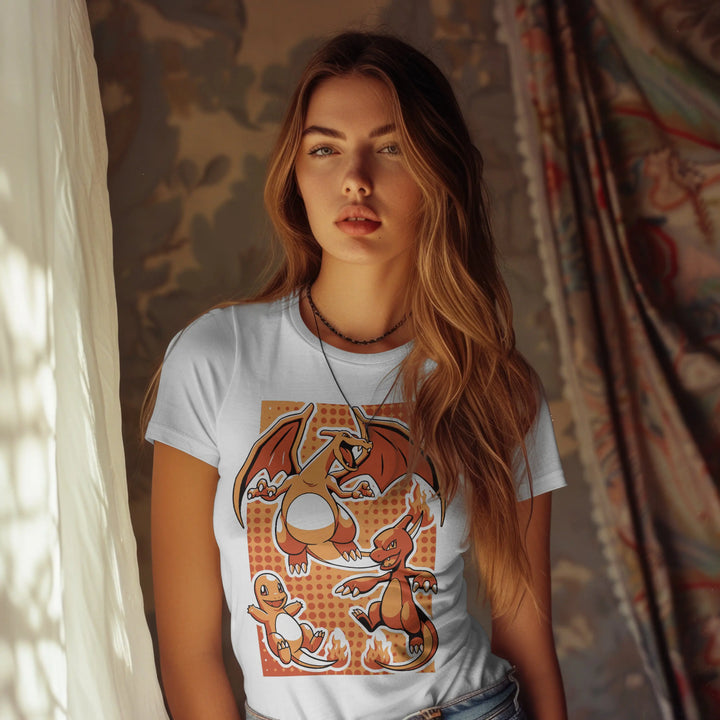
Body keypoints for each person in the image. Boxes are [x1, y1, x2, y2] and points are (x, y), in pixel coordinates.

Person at [144, 31, 568, 720]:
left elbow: (526, 638)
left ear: (437, 171)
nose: (355, 178)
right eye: (325, 148)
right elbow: (189, 655)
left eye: (390, 147)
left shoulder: (493, 385)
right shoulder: (215, 357)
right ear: (295, 173)